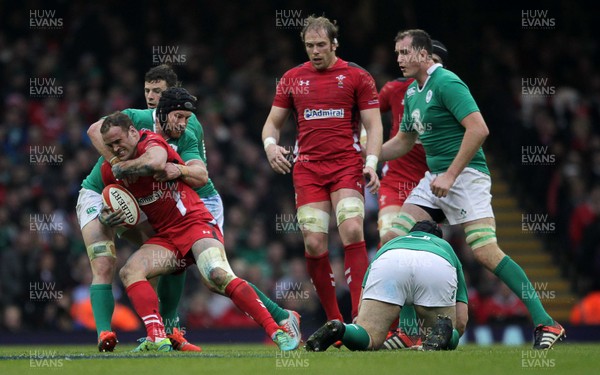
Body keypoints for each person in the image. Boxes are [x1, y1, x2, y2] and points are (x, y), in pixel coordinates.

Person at [379, 29, 564, 349]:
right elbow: (405, 141)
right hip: (435, 177)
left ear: (424, 55)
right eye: (397, 53)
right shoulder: (411, 93)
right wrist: (367, 156)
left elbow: (479, 128)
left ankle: (547, 323)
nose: (399, 59)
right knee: (394, 238)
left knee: (485, 252)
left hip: (465, 177)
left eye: (405, 53)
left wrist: (450, 175)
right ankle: (408, 330)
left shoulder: (447, 82)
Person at [82, 85, 301, 351]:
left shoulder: (151, 141)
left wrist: (129, 168)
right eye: (111, 145)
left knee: (216, 275)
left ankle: (277, 329)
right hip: (166, 237)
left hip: (194, 223)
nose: (117, 148)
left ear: (133, 132)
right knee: (130, 271)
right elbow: (111, 195)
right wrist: (108, 216)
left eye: (120, 142)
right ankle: (157, 335)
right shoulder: (110, 171)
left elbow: (156, 162)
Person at [261, 15, 383, 323]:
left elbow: (374, 124)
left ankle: (360, 317)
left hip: (346, 165)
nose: (315, 51)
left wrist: (371, 162)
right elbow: (272, 124)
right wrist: (271, 147)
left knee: (352, 228)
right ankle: (334, 320)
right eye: (309, 46)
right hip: (309, 169)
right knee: (314, 242)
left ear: (334, 44)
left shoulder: (357, 76)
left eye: (320, 45)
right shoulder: (291, 78)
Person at [305, 221, 467, 351]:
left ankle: (341, 329)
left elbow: (363, 301)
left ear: (411, 234)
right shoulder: (445, 247)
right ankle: (443, 333)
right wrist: (454, 335)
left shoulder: (392, 244)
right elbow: (461, 319)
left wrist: (363, 324)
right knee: (441, 334)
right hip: (435, 264)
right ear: (438, 238)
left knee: (369, 337)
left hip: (390, 262)